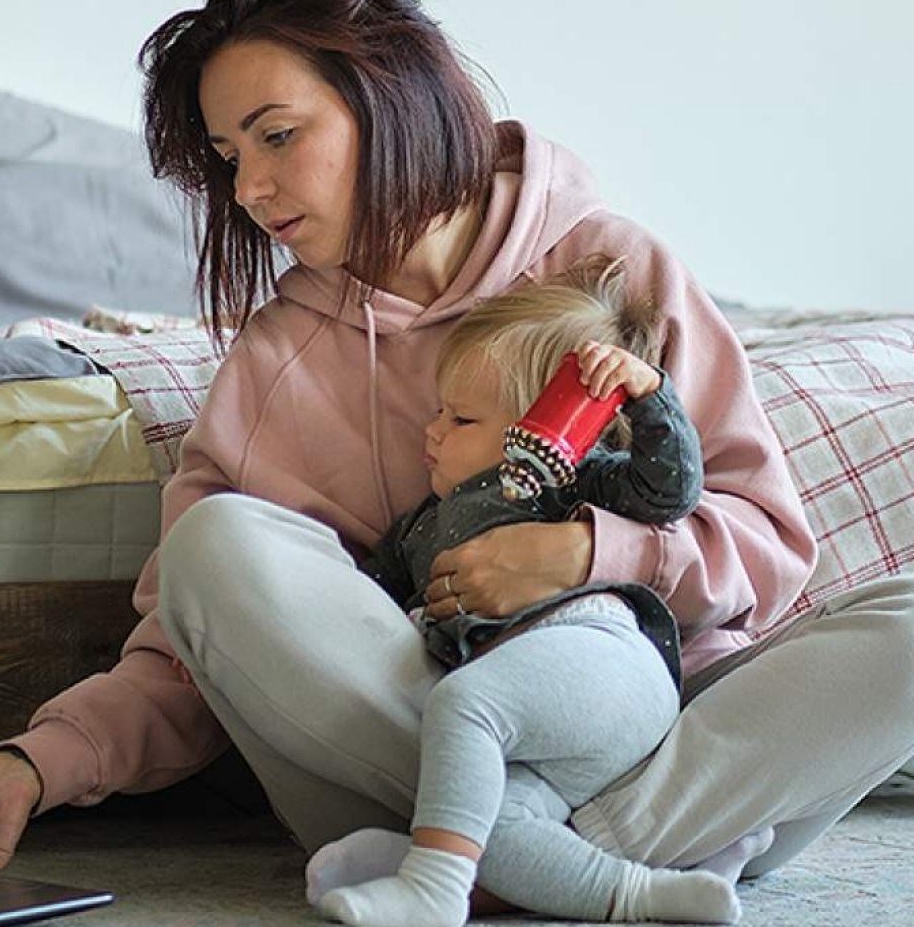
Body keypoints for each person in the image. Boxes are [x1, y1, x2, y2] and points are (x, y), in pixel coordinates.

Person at [0, 0, 914, 921]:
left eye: (278, 135)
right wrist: (34, 763)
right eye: (229, 158)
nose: (250, 191)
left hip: (637, 712)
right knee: (216, 544)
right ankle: (592, 866)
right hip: (427, 735)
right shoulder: (279, 359)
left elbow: (764, 544)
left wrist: (588, 556)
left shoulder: (611, 268)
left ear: (389, 95)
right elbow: (194, 647)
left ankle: (488, 869)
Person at [313, 257, 737, 926]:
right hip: (545, 723)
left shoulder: (563, 478)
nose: (433, 431)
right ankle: (642, 894)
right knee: (493, 819)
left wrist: (649, 394)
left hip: (605, 656)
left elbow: (668, 491)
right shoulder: (420, 529)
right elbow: (367, 601)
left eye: (461, 420)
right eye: (439, 412)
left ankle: (432, 886)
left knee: (464, 704)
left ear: (542, 428)